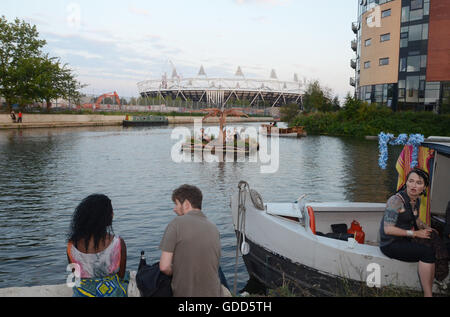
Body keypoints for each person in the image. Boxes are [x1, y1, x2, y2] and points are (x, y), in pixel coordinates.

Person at [379, 168, 436, 297]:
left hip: (403, 240)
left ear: (425, 187)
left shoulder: (415, 200)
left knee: (434, 242)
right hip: (390, 244)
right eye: (411, 181)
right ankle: (428, 294)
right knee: (427, 253)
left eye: (419, 182)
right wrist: (415, 234)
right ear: (406, 183)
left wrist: (427, 228)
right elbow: (388, 229)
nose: (414, 185)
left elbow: (416, 219)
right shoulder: (396, 201)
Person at [159, 184, 223, 297]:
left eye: (176, 204)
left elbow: (164, 267)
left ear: (186, 204)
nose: (174, 209)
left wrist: (177, 270)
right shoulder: (214, 228)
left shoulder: (176, 224)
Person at [67, 194, 128, 297]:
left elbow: (76, 276)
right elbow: (121, 276)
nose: (113, 214)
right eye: (110, 212)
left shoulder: (71, 246)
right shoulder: (118, 243)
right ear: (103, 217)